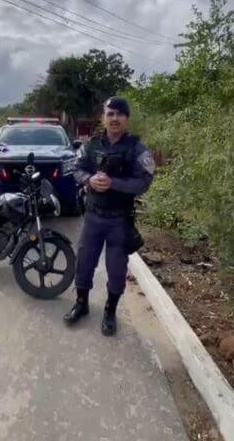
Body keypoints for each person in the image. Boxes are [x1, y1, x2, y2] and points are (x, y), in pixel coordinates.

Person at [64, 97, 155, 336]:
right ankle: (81, 304)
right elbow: (75, 168)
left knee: (116, 272)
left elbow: (144, 181)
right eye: (110, 114)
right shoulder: (91, 145)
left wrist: (114, 184)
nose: (114, 118)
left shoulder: (137, 149)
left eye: (119, 114)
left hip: (119, 221)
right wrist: (88, 180)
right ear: (103, 117)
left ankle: (109, 311)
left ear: (127, 118)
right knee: (83, 265)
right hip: (93, 217)